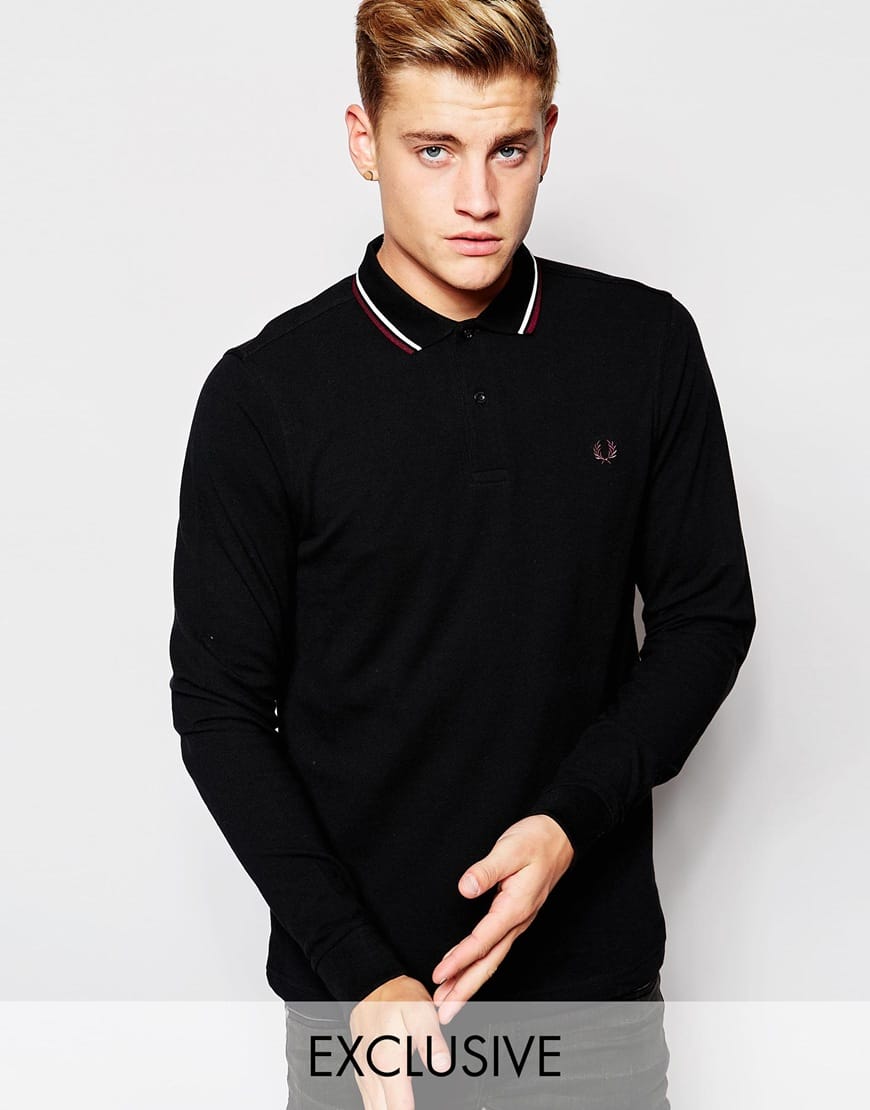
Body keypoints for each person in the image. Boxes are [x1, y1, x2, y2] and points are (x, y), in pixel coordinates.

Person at [168, 1, 755, 1106]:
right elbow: (219, 705)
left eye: (509, 150)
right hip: (363, 1010)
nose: (478, 198)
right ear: (364, 141)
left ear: (548, 137)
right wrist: (358, 969)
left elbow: (707, 618)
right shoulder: (264, 396)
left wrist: (569, 823)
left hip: (591, 999)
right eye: (433, 150)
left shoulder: (645, 347)